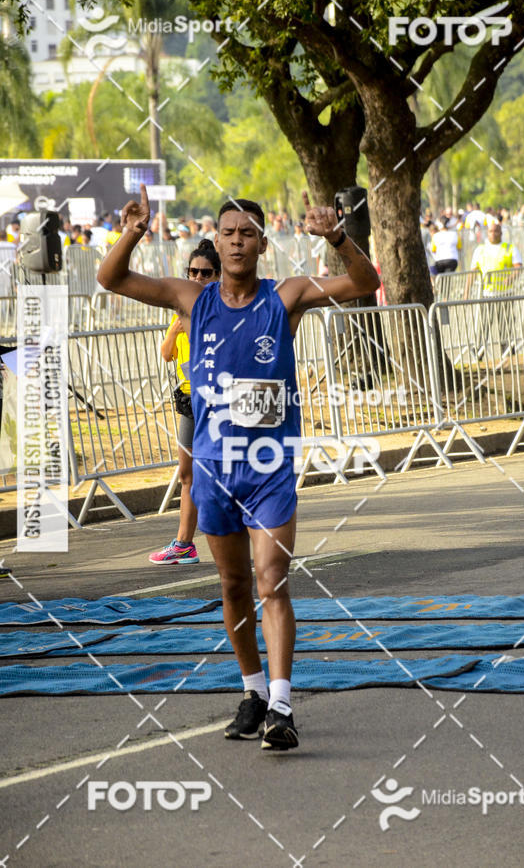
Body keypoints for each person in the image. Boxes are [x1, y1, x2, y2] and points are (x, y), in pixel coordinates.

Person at [98, 185, 379, 751]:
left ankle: (281, 705)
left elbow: (366, 284)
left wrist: (337, 238)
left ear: (262, 245)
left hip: (269, 466)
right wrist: (132, 231)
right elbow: (111, 279)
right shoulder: (191, 297)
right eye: (227, 232)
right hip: (213, 471)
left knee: (271, 580)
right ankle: (252, 692)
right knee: (231, 584)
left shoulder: (287, 296)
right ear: (218, 241)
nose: (235, 241)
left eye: (247, 233)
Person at [149, 240, 221, 565]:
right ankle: (184, 544)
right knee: (187, 473)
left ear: (218, 276)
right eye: (192, 271)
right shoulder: (179, 313)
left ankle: (250, 537)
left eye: (205, 273)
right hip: (188, 399)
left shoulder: (222, 312)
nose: (197, 278)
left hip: (218, 401)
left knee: (226, 471)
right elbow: (166, 355)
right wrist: (175, 330)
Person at [470, 221, 522, 295]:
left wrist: (511, 278)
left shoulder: (510, 248)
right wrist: (466, 293)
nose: (493, 234)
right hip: (486, 294)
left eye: (496, 231)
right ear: (487, 233)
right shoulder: (480, 249)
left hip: (506, 293)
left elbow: (519, 267)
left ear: (501, 233)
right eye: (491, 231)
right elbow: (472, 273)